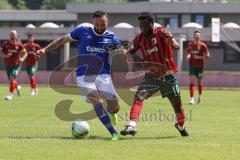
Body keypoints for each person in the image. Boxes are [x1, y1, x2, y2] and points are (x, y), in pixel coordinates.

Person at [37, 10, 124, 141]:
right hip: (84, 75)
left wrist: (125, 52)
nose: (100, 27)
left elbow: (122, 48)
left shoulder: (112, 36)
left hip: (103, 75)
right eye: (97, 24)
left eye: (103, 25)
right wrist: (45, 49)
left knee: (115, 108)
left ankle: (112, 112)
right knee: (96, 101)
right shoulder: (83, 30)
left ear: (108, 23)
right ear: (93, 22)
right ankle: (113, 133)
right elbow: (62, 40)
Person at [120, 12, 189, 137]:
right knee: (138, 97)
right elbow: (130, 53)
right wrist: (126, 53)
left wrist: (173, 43)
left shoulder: (161, 31)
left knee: (178, 107)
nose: (143, 29)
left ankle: (180, 126)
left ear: (152, 23)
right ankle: (132, 125)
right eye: (141, 26)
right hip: (151, 77)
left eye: (145, 26)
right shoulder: (140, 37)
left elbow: (176, 45)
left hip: (168, 76)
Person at [0, 30, 28, 100]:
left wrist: (22, 59)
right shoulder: (5, 44)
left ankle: (10, 95)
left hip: (16, 65)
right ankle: (17, 87)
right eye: (11, 34)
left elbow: (25, 53)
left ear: (16, 35)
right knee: (11, 80)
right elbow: (0, 53)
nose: (12, 35)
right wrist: (6, 56)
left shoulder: (19, 45)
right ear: (10, 35)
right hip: (8, 65)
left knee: (12, 78)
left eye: (14, 34)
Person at [186, 30, 210, 104]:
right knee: (191, 82)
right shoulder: (190, 44)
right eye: (195, 35)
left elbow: (208, 56)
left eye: (198, 35)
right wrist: (188, 56)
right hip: (192, 66)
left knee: (199, 82)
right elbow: (188, 53)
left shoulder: (203, 45)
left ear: (200, 36)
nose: (197, 36)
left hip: (200, 67)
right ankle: (192, 99)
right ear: (194, 36)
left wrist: (199, 57)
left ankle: (200, 96)